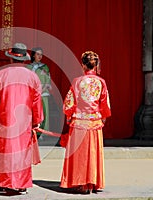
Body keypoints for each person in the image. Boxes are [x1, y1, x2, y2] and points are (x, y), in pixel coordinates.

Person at [0, 43, 43, 195]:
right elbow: (36, 101)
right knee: (22, 152)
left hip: (5, 120)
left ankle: (1, 184)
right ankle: (21, 184)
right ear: (24, 59)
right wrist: (37, 120)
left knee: (4, 151)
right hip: (24, 121)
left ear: (11, 59)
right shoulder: (33, 77)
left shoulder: (1, 75)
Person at [60, 51, 111, 194]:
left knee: (80, 153)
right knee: (93, 152)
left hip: (79, 122)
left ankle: (79, 182)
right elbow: (104, 103)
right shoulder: (101, 82)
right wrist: (103, 117)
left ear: (83, 65)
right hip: (94, 122)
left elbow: (70, 102)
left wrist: (69, 116)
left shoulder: (77, 81)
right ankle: (92, 182)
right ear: (95, 65)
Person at [26, 47, 51, 139]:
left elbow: (48, 81)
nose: (40, 56)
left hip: (43, 93)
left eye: (41, 54)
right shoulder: (28, 67)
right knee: (32, 113)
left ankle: (42, 133)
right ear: (33, 55)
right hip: (31, 94)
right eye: (37, 54)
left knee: (43, 113)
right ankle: (30, 131)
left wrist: (41, 90)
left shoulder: (45, 67)